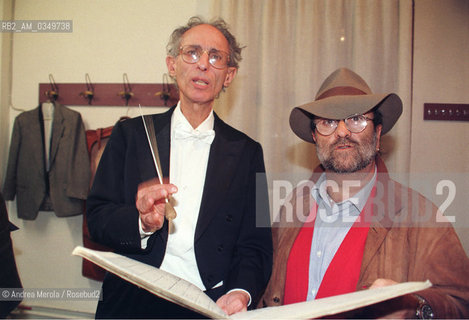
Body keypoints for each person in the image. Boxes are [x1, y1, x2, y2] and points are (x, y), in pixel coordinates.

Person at [86, 16, 272, 319]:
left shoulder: (249, 153)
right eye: (192, 53)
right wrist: (141, 223)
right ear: (172, 65)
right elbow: (96, 218)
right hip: (131, 299)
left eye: (216, 57)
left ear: (229, 75)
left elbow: (257, 243)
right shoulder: (130, 135)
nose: (203, 65)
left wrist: (241, 292)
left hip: (208, 304)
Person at [258, 68, 469, 318]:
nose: (343, 132)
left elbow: (461, 304)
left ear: (378, 134)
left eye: (356, 118)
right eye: (328, 122)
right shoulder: (292, 206)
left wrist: (417, 305)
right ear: (315, 137)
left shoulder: (421, 217)